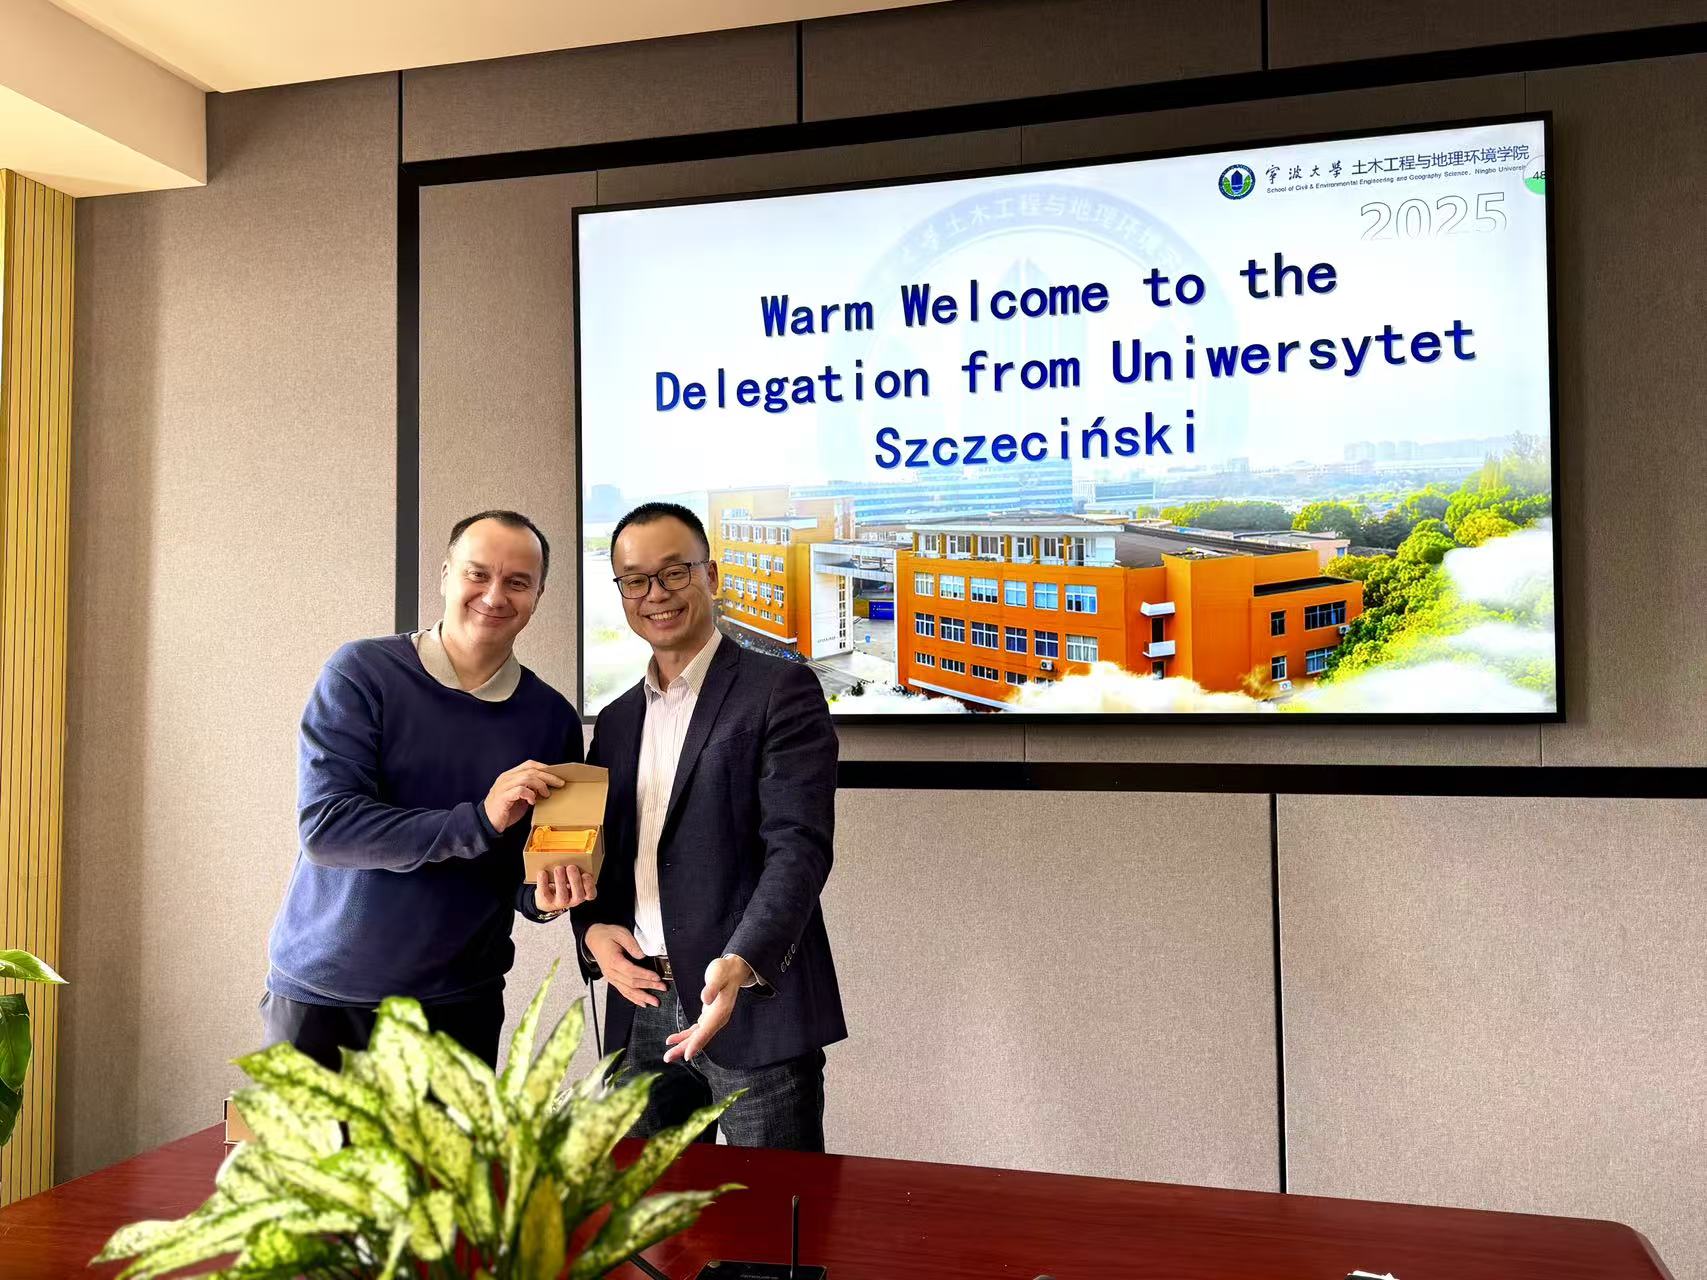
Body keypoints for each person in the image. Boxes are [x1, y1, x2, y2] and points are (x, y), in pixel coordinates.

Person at [262, 510, 595, 1069]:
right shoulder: (362, 672)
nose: (495, 595)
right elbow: (328, 829)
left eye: (518, 582)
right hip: (325, 999)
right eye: (477, 574)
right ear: (445, 575)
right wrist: (479, 820)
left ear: (539, 595)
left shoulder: (552, 718)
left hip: (461, 1006)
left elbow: (519, 871)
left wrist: (542, 900)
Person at [571, 501, 845, 1152]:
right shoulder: (615, 721)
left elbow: (798, 847)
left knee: (770, 1214)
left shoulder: (780, 689)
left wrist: (743, 960)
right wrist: (592, 931)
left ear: (712, 576)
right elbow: (603, 856)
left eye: (675, 573)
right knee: (645, 1210)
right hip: (641, 1005)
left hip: (748, 1004)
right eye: (635, 580)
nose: (656, 594)